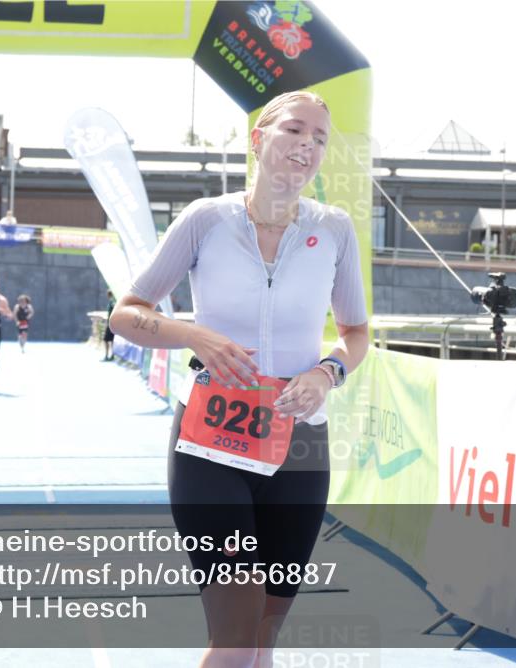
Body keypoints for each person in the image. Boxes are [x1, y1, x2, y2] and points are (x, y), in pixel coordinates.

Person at [109, 90, 369, 667]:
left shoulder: (335, 230)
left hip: (299, 446)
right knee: (235, 638)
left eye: (319, 139)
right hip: (211, 441)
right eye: (295, 131)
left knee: (263, 643)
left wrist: (327, 375)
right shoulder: (206, 220)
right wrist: (194, 335)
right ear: (259, 139)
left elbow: (355, 334)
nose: (307, 146)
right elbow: (126, 314)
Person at [102, 289, 116, 361]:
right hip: (112, 323)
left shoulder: (112, 302)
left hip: (111, 324)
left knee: (106, 340)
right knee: (111, 340)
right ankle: (111, 355)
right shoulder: (113, 301)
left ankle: (107, 355)